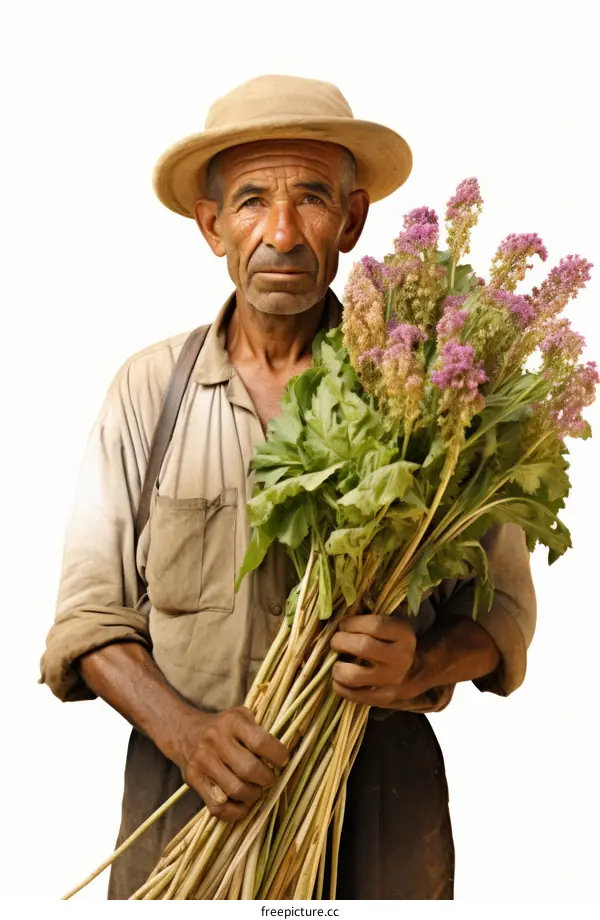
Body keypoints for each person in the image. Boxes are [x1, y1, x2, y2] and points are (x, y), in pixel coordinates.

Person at [40, 74, 537, 901]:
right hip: (183, 815)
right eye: (248, 202)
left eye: (310, 198)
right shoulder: (146, 389)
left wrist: (421, 664)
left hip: (378, 814)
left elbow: (504, 614)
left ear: (352, 221)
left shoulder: (429, 398)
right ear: (211, 227)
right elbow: (88, 615)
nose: (280, 232)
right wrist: (186, 732)